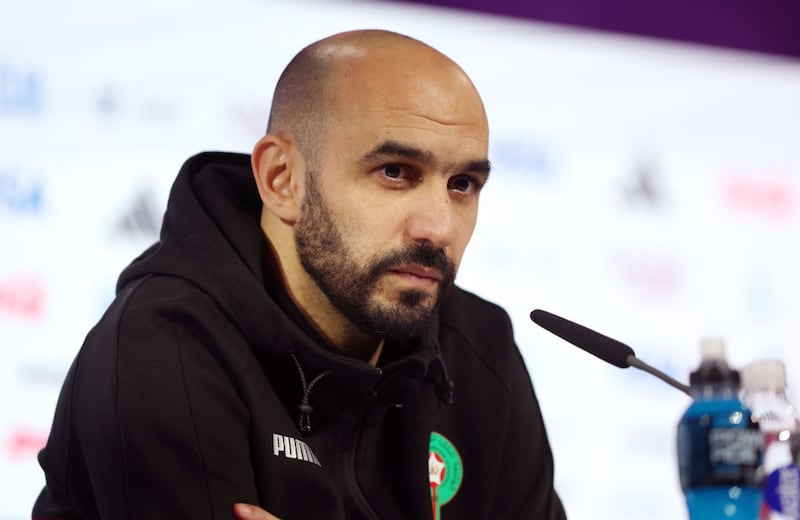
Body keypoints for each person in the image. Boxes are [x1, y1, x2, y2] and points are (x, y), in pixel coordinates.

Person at [32, 29, 566, 519]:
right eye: (396, 172)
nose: (439, 227)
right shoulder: (161, 347)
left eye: (463, 184)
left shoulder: (479, 348)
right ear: (281, 178)